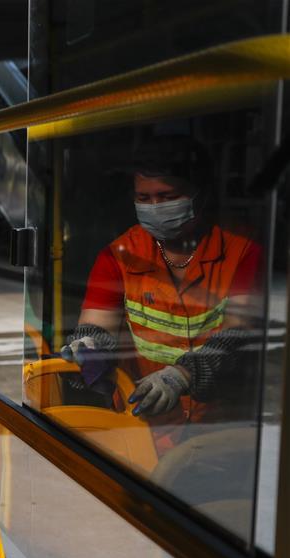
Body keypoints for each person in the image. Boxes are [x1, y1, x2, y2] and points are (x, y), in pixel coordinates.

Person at [61, 135, 262, 454]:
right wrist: (89, 347)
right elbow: (96, 325)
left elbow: (239, 334)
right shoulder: (118, 256)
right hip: (144, 424)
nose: (154, 208)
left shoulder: (242, 252)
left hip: (220, 429)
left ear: (200, 194)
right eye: (144, 198)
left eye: (167, 196)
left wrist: (183, 375)